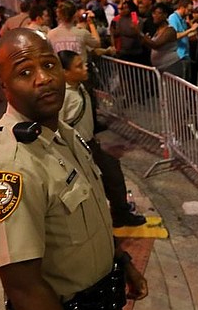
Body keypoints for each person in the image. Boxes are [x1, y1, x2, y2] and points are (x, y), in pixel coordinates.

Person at [0, 29, 148, 310]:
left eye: (48, 64)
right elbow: (21, 284)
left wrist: (120, 259)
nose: (44, 77)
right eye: (25, 71)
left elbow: (90, 215)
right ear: (4, 86)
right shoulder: (9, 166)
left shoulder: (60, 133)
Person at [58, 50, 147, 228]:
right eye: (78, 66)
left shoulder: (80, 86)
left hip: (90, 145)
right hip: (75, 151)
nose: (85, 68)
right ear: (64, 73)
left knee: (112, 174)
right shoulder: (62, 96)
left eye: (83, 63)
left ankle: (120, 213)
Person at [135, 3, 180, 76]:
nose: (155, 16)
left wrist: (139, 32)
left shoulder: (169, 30)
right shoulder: (158, 30)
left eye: (158, 13)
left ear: (165, 15)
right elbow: (152, 47)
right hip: (160, 68)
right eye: (153, 13)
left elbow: (156, 45)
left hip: (170, 66)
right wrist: (145, 40)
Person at [167, 0, 198, 79]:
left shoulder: (183, 19)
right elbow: (174, 36)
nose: (189, 13)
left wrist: (193, 31)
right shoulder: (173, 18)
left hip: (186, 55)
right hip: (178, 56)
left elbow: (184, 34)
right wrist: (190, 30)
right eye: (188, 10)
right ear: (182, 8)